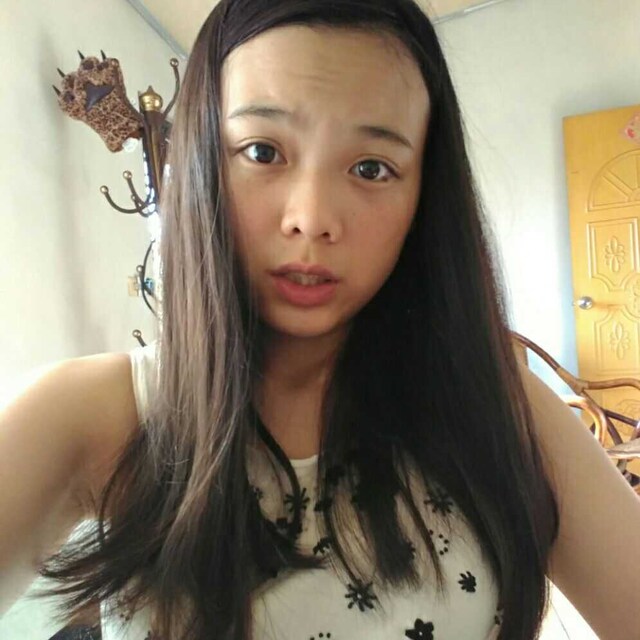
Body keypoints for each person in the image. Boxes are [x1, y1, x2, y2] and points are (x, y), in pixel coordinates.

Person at [1, 0, 639, 638]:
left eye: (371, 168)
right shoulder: (93, 414)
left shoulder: (504, 411)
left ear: (425, 195)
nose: (311, 218)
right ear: (200, 162)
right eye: (262, 151)